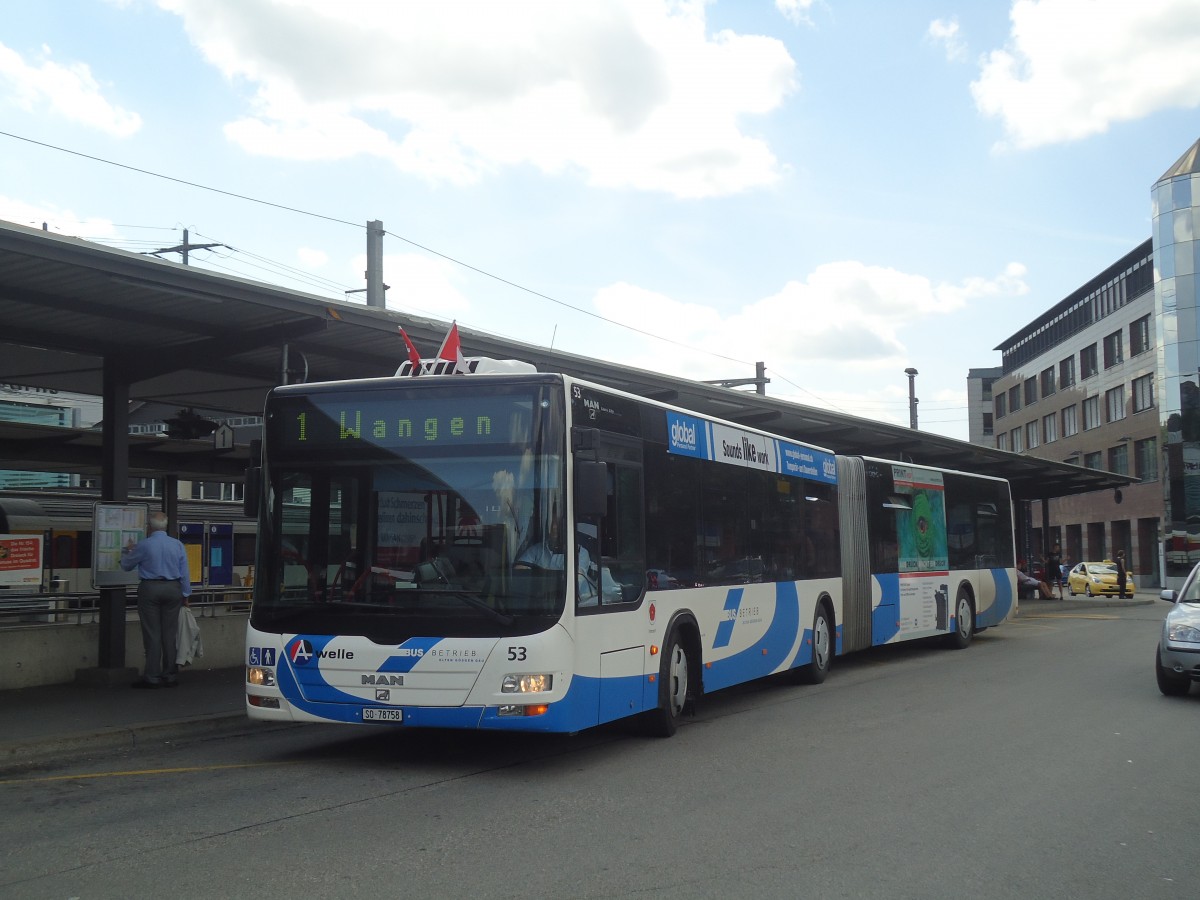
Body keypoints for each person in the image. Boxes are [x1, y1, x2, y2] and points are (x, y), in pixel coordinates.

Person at [120, 511, 191, 688]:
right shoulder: (177, 545)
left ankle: (152, 677)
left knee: (152, 634)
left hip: (150, 589)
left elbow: (126, 565)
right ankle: (170, 675)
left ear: (150, 527)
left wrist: (127, 550)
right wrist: (185, 595)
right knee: (169, 634)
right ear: (165, 526)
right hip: (173, 589)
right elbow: (185, 573)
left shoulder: (144, 545)